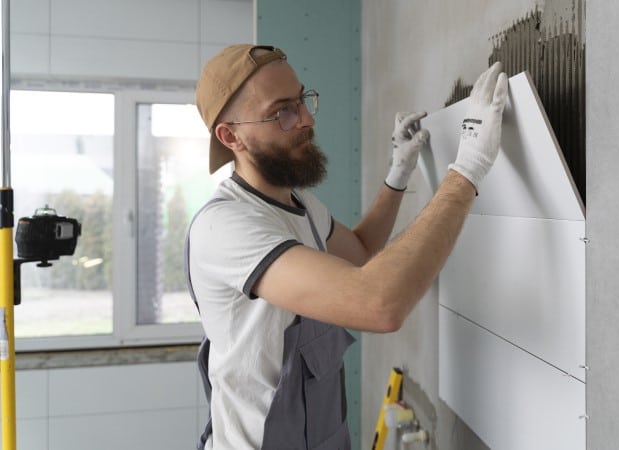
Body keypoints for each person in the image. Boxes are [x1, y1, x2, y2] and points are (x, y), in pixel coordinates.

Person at [186, 44, 508, 449]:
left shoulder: (298, 206)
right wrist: (467, 171)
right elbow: (377, 304)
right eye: (283, 111)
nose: (305, 119)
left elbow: (360, 251)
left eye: (303, 100)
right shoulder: (225, 227)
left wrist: (399, 172)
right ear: (231, 136)